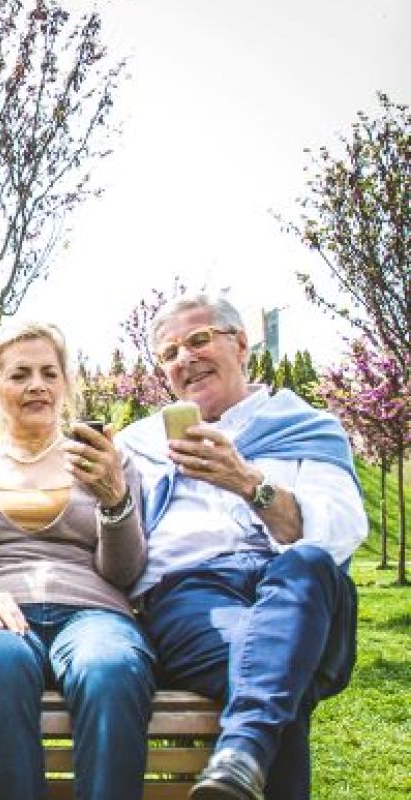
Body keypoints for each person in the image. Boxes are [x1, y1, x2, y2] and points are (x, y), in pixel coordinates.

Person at [116, 294, 366, 800]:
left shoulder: (306, 428)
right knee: (280, 675)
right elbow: (119, 544)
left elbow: (342, 530)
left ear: (242, 343)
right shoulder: (140, 446)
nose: (185, 358)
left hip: (300, 594)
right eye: (169, 354)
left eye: (199, 339)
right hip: (194, 598)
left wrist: (249, 484)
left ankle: (240, 756)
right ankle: (244, 752)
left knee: (309, 560)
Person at [0, 321, 155, 800]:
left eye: (50, 373)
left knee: (110, 666)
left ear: (66, 384)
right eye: (20, 374)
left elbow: (125, 572)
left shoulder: (107, 462)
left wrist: (114, 498)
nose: (37, 385)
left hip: (94, 612)